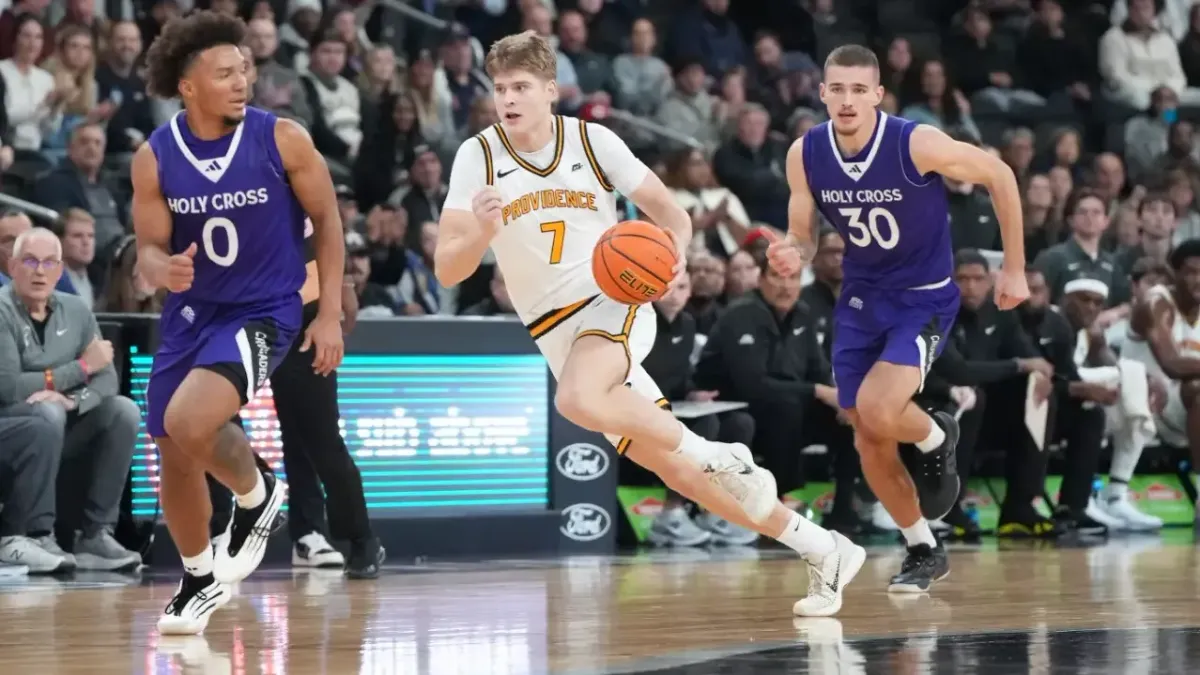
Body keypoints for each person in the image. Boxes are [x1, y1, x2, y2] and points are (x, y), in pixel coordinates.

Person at [434, 30, 865, 618]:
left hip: (613, 302)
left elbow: (672, 215)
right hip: (553, 331)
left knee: (577, 399)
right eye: (501, 88)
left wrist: (673, 260)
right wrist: (481, 232)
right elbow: (448, 269)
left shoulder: (593, 143)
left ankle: (721, 451)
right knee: (678, 472)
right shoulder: (476, 157)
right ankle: (820, 547)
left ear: (551, 91)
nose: (508, 99)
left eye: (521, 87)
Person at [765, 44, 1027, 593]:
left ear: (878, 95)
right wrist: (794, 252)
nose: (847, 100)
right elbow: (804, 233)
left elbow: (1000, 175)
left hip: (923, 297)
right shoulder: (805, 153)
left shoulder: (916, 142)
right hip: (861, 299)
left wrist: (1015, 270)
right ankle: (923, 548)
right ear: (822, 93)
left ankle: (936, 432)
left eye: (859, 89)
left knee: (880, 409)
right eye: (837, 89)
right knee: (866, 432)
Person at [132, 11, 345, 635]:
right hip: (192, 313)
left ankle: (257, 494)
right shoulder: (155, 157)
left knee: (189, 420)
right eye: (224, 72)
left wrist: (328, 313)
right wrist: (160, 268)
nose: (241, 80)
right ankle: (199, 577)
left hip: (265, 308)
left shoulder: (282, 138)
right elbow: (147, 246)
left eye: (243, 69)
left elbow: (329, 222)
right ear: (188, 85)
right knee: (173, 448)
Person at [1125, 239, 1200, 527]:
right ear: (1174, 274)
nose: (1198, 280)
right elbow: (1170, 365)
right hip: (1146, 406)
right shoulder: (1156, 303)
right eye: (1192, 272)